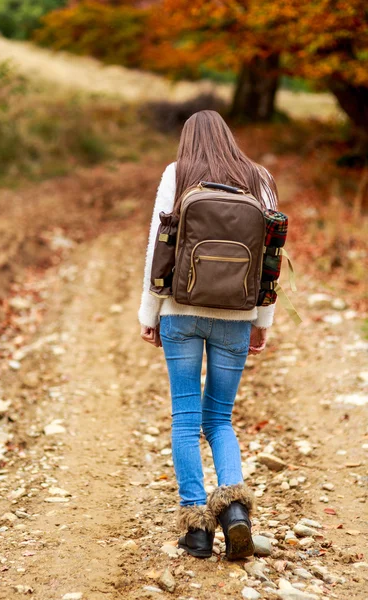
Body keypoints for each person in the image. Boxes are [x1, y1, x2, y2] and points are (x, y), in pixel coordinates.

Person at [138, 110, 278, 560]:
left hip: (181, 311)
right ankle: (235, 509)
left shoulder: (178, 174)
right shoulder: (258, 178)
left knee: (185, 418)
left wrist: (150, 310)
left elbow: (157, 244)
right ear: (228, 138)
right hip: (236, 316)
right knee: (219, 419)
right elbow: (271, 255)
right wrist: (262, 321)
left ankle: (196, 528)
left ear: (187, 139)